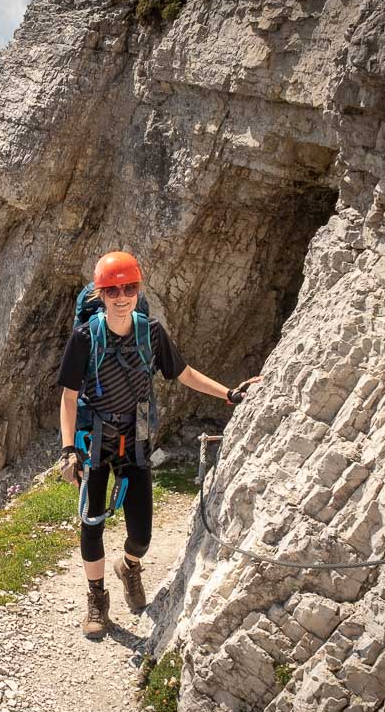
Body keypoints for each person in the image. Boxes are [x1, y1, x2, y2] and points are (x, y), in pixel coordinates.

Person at [56, 251, 261, 638]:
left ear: (138, 290)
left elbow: (184, 373)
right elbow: (68, 397)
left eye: (129, 288)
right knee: (92, 523)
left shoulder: (150, 332)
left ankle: (129, 565)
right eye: (112, 290)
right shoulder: (84, 338)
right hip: (93, 442)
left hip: (135, 442)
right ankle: (97, 599)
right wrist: (68, 451)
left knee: (142, 535)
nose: (121, 297)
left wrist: (229, 394)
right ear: (100, 294)